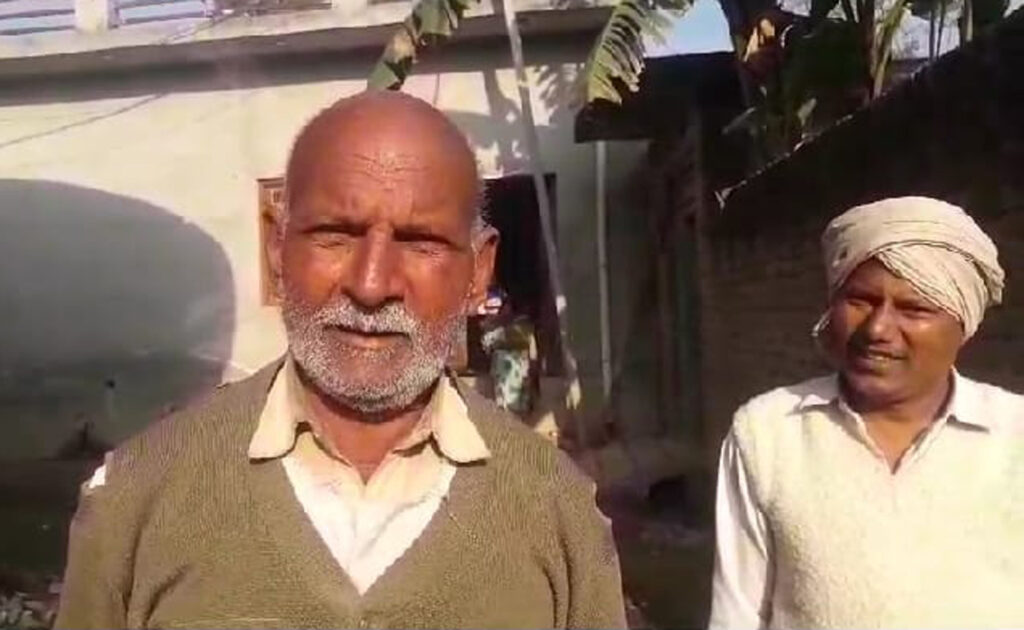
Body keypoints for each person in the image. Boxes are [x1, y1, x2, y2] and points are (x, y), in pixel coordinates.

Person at [55, 91, 626, 629]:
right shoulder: (137, 496)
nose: (371, 285)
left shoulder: (558, 513)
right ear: (277, 249)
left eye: (420, 243)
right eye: (335, 236)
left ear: (477, 272)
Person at [709, 196, 1024, 629]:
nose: (877, 329)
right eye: (860, 300)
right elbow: (736, 614)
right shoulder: (768, 434)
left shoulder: (1014, 436)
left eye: (914, 309)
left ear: (963, 326)